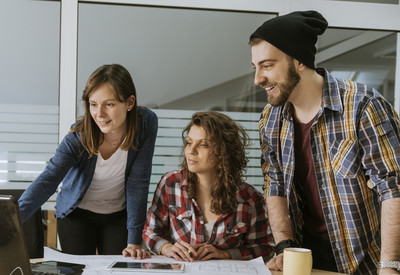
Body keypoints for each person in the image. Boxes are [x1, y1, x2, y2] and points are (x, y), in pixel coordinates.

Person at [249, 10, 400, 275]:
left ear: (298, 61)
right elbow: (274, 184)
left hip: (367, 263)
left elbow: (393, 189)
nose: (258, 79)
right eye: (256, 67)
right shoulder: (270, 119)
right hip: (306, 262)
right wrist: (284, 244)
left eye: (267, 65)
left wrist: (390, 267)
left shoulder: (363, 106)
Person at [18, 64, 158, 258]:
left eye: (108, 104)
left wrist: (134, 241)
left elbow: (138, 182)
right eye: (93, 104)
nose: (99, 114)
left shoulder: (146, 124)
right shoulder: (78, 138)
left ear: (129, 102)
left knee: (119, 269)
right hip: (77, 214)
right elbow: (49, 179)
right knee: (81, 270)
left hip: (118, 215)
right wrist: (10, 223)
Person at [143, 111, 273, 262]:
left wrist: (226, 254)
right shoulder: (170, 184)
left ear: (223, 152)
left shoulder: (250, 199)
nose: (191, 151)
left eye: (203, 145)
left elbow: (265, 249)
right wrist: (166, 248)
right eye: (189, 142)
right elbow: (150, 232)